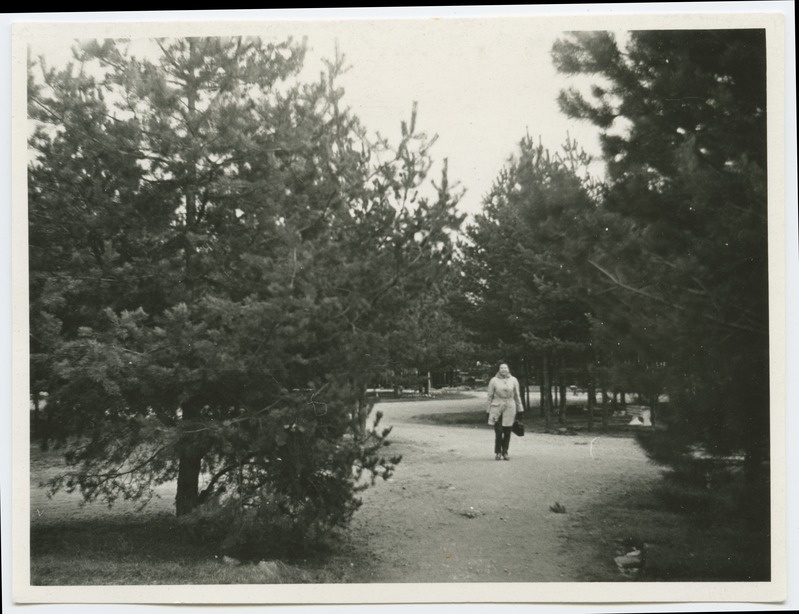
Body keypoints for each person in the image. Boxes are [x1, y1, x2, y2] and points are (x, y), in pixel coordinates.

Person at [486, 362, 523, 460]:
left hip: (510, 408)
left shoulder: (514, 380)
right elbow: (489, 396)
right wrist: (488, 410)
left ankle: (505, 452)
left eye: (505, 368)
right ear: (499, 369)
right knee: (498, 432)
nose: (503, 370)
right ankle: (498, 452)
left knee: (507, 432)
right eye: (501, 368)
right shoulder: (493, 380)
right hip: (496, 408)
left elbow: (517, 395)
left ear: (508, 369)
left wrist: (520, 409)